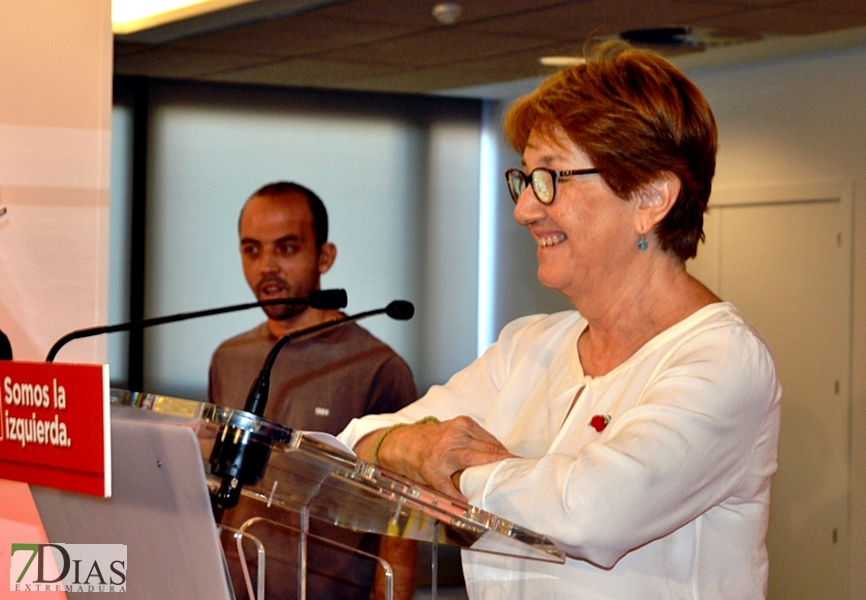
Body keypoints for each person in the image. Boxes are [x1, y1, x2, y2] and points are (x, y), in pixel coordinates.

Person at [339, 42, 781, 599]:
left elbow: (590, 512)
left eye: (551, 178)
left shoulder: (721, 361)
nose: (525, 209)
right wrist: (401, 447)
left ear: (651, 196)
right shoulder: (530, 345)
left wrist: (431, 456)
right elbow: (353, 441)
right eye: (523, 179)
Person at [209, 181, 418, 600]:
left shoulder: (378, 368)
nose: (266, 266)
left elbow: (402, 524)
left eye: (286, 249)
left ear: (325, 256)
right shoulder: (229, 358)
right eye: (252, 250)